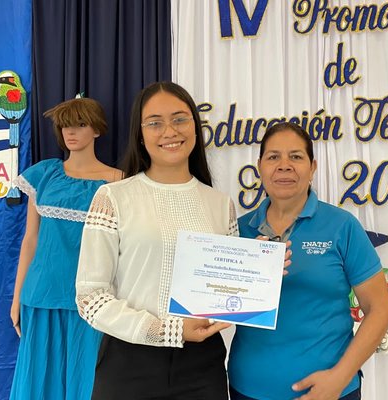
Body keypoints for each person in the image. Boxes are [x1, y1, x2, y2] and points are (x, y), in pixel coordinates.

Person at [75, 81, 235, 399]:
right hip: (128, 362)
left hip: (203, 366)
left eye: (179, 119)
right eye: (155, 123)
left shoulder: (221, 204)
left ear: (195, 125)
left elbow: (226, 288)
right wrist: (169, 331)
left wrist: (266, 270)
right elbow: (89, 298)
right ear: (141, 133)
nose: (169, 131)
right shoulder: (113, 197)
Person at [228, 122, 388, 400]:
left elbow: (379, 309)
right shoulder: (237, 230)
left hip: (331, 391)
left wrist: (339, 379)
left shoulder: (342, 226)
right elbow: (219, 304)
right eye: (273, 157)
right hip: (248, 389)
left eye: (295, 156)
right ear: (260, 167)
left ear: (312, 167)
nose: (284, 165)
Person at [9, 98, 123, 400]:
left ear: (97, 129)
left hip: (93, 300)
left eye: (80, 124)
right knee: (39, 382)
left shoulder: (118, 182)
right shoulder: (44, 175)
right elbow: (30, 239)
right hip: (41, 294)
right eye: (64, 125)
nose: (70, 132)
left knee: (87, 381)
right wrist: (17, 297)